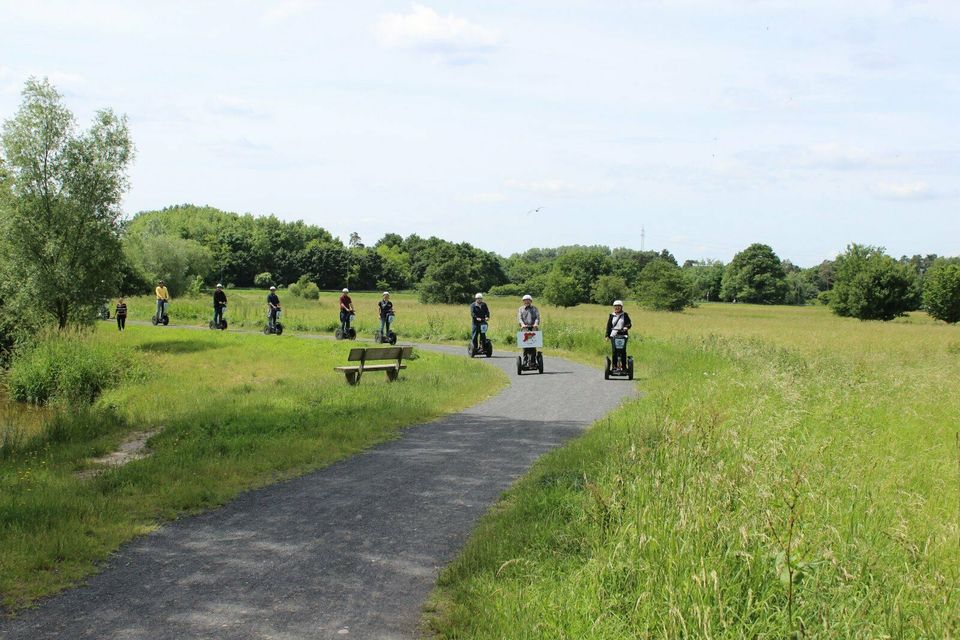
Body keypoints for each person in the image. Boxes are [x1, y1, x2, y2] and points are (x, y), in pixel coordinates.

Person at [605, 300, 632, 370]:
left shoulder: (625, 315)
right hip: (613, 335)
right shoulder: (612, 315)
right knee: (614, 351)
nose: (617, 308)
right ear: (614, 307)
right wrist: (607, 336)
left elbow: (629, 323)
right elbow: (608, 326)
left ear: (621, 307)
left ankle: (623, 366)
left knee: (623, 350)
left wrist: (626, 327)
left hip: (623, 335)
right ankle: (614, 366)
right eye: (615, 306)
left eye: (618, 306)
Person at [517, 294, 540, 366]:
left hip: (533, 328)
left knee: (533, 344)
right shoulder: (521, 309)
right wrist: (522, 325)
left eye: (528, 300)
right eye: (525, 301)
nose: (527, 302)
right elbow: (519, 318)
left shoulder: (535, 309)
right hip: (524, 328)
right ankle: (525, 360)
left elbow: (537, 317)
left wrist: (536, 324)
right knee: (525, 345)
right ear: (523, 301)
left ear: (531, 301)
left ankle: (533, 361)